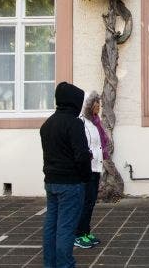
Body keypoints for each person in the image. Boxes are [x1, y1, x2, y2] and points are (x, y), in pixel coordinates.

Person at [40, 82, 92, 268]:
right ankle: (65, 264)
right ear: (74, 102)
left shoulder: (47, 124)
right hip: (71, 183)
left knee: (51, 226)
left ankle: (50, 264)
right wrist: (86, 177)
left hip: (51, 181)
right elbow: (81, 155)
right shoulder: (74, 123)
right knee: (66, 228)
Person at [74, 91, 106, 249]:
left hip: (96, 167)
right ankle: (78, 234)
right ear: (88, 105)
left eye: (99, 104)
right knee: (85, 202)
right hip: (87, 168)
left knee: (91, 202)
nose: (99, 106)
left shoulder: (95, 122)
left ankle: (86, 232)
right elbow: (84, 146)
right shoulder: (82, 123)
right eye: (96, 103)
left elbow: (100, 144)